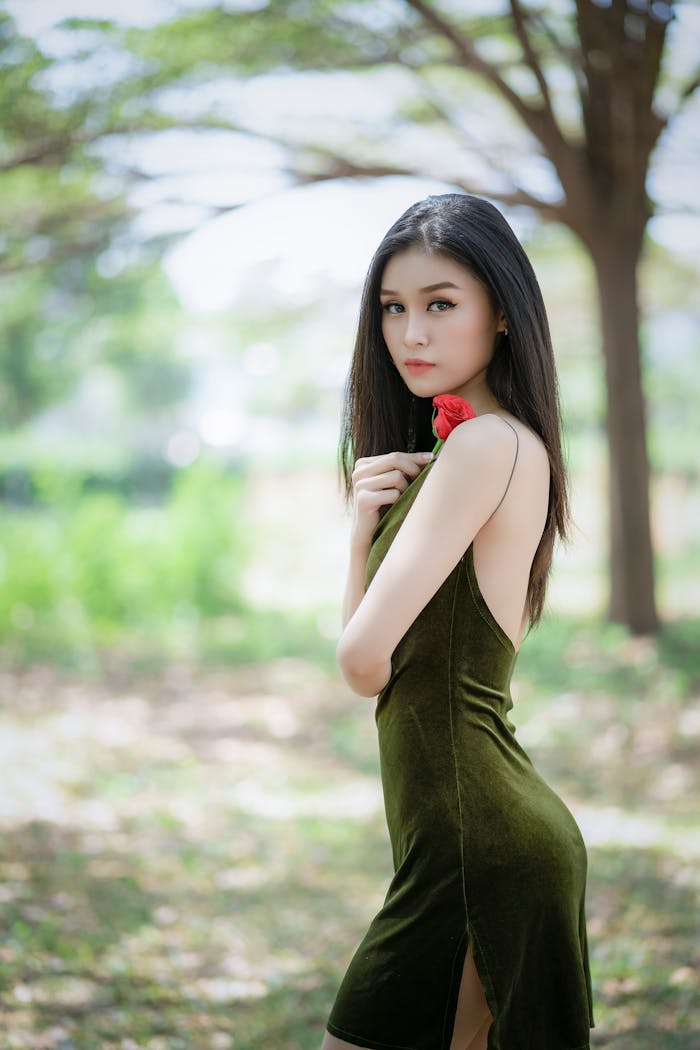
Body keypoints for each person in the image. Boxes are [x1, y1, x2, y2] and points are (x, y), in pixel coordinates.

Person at [321, 194, 594, 1050]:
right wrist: (362, 532)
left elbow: (362, 661)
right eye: (393, 308)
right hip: (477, 839)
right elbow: (373, 662)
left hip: (475, 848)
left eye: (441, 304)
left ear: (502, 313)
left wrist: (359, 545)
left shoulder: (484, 447)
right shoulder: (487, 445)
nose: (412, 334)